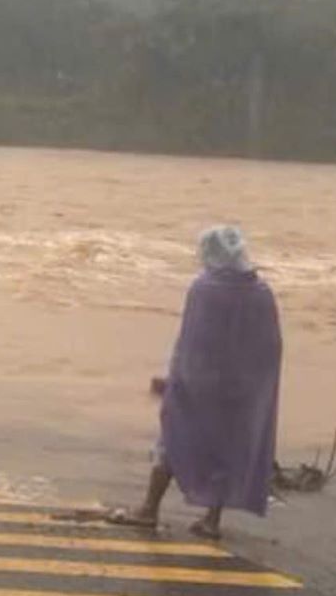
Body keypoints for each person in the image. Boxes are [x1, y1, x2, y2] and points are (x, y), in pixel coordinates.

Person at [118, 224, 283, 539]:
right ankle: (211, 521)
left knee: (172, 439)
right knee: (225, 449)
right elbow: (271, 347)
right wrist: (256, 389)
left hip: (202, 385)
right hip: (242, 390)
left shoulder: (205, 289)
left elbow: (193, 343)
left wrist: (173, 381)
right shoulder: (262, 292)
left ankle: (148, 509)